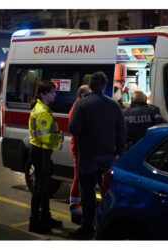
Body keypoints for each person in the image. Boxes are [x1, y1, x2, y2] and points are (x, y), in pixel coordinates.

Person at [68, 71, 126, 239]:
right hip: (108, 156)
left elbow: (73, 129)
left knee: (87, 192)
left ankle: (87, 226)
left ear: (91, 86)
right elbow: (121, 131)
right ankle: (107, 224)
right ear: (105, 86)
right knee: (107, 190)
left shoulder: (83, 104)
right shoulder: (114, 105)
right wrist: (119, 152)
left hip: (88, 155)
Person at [28, 81, 63, 234]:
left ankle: (45, 217)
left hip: (41, 152)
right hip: (41, 152)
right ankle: (35, 222)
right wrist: (58, 137)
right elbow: (45, 137)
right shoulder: (42, 111)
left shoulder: (44, 108)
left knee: (45, 187)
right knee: (40, 189)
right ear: (43, 94)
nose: (55, 94)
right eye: (52, 92)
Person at [68, 84, 91, 225]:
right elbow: (76, 129)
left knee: (82, 177)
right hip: (79, 147)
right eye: (88, 95)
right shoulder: (77, 108)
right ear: (82, 95)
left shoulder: (81, 106)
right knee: (78, 177)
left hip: (83, 147)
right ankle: (74, 208)